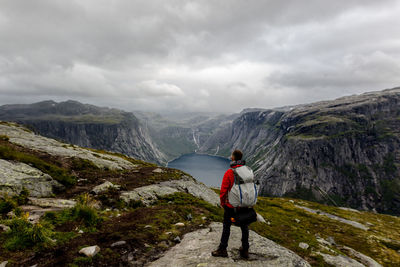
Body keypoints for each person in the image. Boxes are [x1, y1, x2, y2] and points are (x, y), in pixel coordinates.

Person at [211, 149, 249, 259]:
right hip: (244, 205)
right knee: (244, 226)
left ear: (233, 158)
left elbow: (223, 190)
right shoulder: (247, 170)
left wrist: (223, 203)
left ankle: (223, 249)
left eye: (231, 155)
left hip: (231, 205)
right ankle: (245, 249)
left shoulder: (230, 172)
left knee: (226, 226)